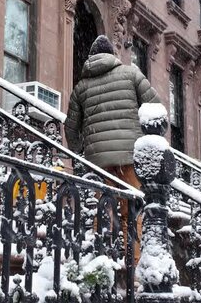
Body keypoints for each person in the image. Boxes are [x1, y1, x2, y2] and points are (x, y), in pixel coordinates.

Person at [65, 35, 160, 261]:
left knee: (103, 209)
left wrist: (78, 150)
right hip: (129, 157)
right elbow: (155, 107)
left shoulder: (81, 87)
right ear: (112, 55)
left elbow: (70, 126)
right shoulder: (131, 73)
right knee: (132, 211)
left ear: (90, 58)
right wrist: (150, 138)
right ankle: (132, 266)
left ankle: (102, 262)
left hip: (98, 162)